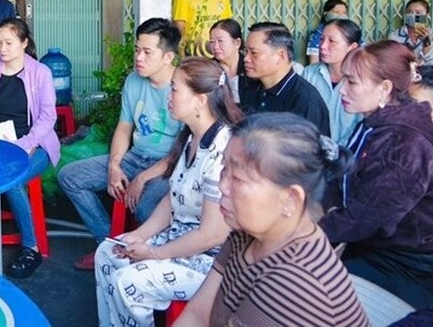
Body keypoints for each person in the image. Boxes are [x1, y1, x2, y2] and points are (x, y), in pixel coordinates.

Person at [174, 113, 368, 326]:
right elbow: (198, 313)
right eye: (224, 169)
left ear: (291, 199)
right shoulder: (246, 232)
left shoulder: (294, 283)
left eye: (238, 178)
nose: (222, 186)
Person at [95, 57, 242, 327]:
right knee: (108, 251)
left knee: (129, 281)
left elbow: (212, 235)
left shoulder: (223, 149)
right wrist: (138, 236)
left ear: (200, 100)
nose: (168, 97)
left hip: (209, 262)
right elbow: (172, 200)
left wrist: (152, 254)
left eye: (174, 89)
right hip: (177, 240)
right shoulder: (190, 137)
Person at [58, 18, 183, 271]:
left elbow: (182, 149)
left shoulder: (182, 86)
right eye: (137, 50)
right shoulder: (134, 81)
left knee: (146, 208)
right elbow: (124, 126)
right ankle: (109, 244)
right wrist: (115, 166)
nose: (139, 57)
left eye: (148, 52)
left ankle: (147, 260)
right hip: (135, 156)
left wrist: (143, 178)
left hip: (168, 164)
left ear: (168, 57)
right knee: (70, 177)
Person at [320, 40, 433, 310]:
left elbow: (366, 218)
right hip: (372, 248)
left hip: (405, 264)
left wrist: (302, 235)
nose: (342, 91)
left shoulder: (405, 142)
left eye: (352, 82)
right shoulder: (378, 122)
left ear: (385, 88)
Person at [0, 18, 60, 278]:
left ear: (24, 43)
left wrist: (25, 144)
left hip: (36, 146)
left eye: (9, 43)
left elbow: (48, 117)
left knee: (12, 180)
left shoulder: (40, 72)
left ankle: (31, 247)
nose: (2, 48)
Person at [239, 22, 331, 136]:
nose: (246, 58)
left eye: (254, 53)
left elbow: (307, 150)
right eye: (245, 52)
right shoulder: (252, 88)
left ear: (281, 56)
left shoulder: (305, 100)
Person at [302, 19, 363, 144]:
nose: (323, 46)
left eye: (332, 41)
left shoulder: (363, 79)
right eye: (321, 39)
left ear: (352, 47)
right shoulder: (309, 74)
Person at [208, 18, 248, 102]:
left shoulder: (249, 67)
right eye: (212, 42)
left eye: (220, 41)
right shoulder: (208, 69)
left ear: (237, 43)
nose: (215, 47)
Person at [388, 0, 433, 65]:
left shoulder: (431, 34)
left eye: (418, 12)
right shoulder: (395, 36)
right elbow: (391, 61)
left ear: (426, 15)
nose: (413, 15)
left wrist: (426, 41)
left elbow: (431, 63)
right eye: (409, 12)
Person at [306, 0, 349, 64]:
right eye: (336, 12)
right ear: (326, 15)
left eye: (344, 13)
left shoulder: (352, 32)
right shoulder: (317, 34)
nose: (341, 16)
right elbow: (314, 62)